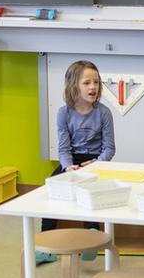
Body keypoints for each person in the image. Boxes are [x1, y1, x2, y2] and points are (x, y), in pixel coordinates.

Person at [38, 60, 115, 261]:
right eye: (87, 83)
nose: (93, 87)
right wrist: (67, 166)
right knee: (52, 188)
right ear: (74, 86)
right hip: (71, 161)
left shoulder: (103, 113)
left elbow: (109, 148)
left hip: (95, 161)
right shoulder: (63, 113)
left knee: (89, 193)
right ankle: (46, 244)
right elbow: (63, 148)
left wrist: (97, 163)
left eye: (96, 82)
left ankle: (91, 242)